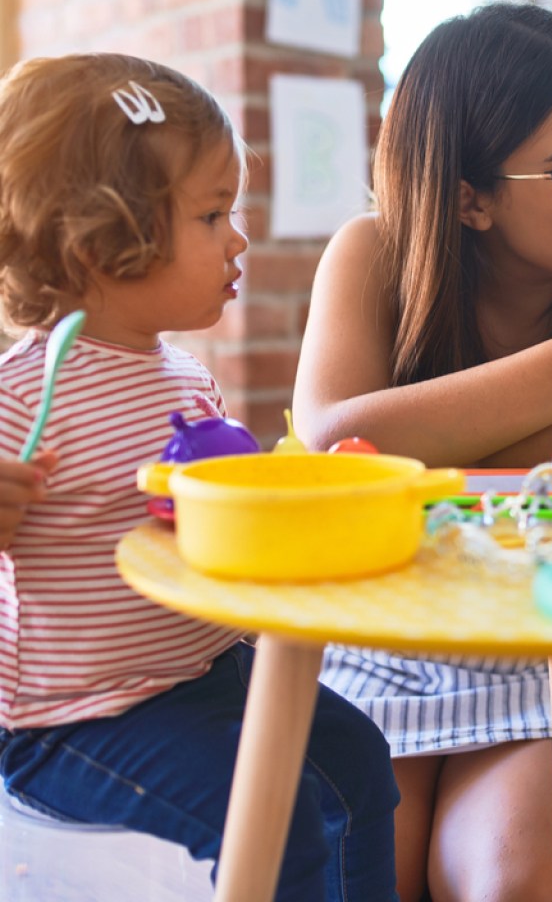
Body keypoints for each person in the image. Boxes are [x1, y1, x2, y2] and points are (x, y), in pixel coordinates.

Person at [292, 1, 552, 902]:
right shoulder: (368, 255)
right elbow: (332, 444)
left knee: (511, 883)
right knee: (349, 880)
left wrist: (410, 440)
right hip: (379, 633)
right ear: (469, 197)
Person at [0, 52, 400, 902]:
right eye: (212, 214)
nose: (238, 238)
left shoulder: (186, 380)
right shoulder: (18, 394)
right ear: (102, 239)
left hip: (202, 673)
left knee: (361, 763)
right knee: (277, 816)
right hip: (75, 719)